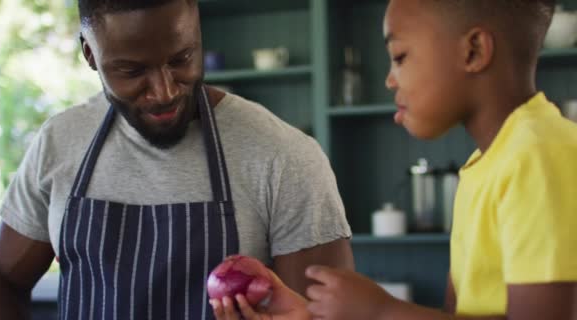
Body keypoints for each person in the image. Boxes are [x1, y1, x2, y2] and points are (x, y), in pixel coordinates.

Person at [0, 0, 355, 319]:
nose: (165, 91)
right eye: (132, 70)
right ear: (90, 54)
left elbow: (332, 315)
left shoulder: (283, 156)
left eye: (181, 58)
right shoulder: (59, 142)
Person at [210, 0, 577, 319]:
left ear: (474, 50)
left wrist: (383, 312)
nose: (389, 80)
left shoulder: (539, 155)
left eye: (400, 57)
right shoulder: (487, 163)